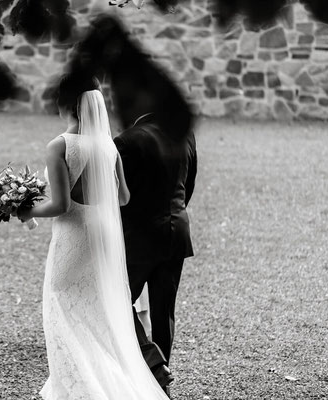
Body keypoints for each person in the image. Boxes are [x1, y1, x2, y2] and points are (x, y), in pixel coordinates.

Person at [17, 75, 169, 399]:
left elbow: (60, 205)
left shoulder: (59, 145)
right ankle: (101, 381)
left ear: (65, 104)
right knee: (94, 311)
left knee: (62, 305)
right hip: (102, 235)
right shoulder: (108, 145)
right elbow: (124, 197)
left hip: (73, 237)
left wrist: (26, 211)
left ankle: (79, 387)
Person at [114, 91, 197, 395]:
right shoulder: (184, 135)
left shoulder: (125, 141)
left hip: (140, 237)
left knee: (117, 300)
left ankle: (153, 363)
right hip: (177, 231)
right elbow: (188, 186)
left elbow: (118, 198)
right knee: (164, 312)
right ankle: (161, 382)